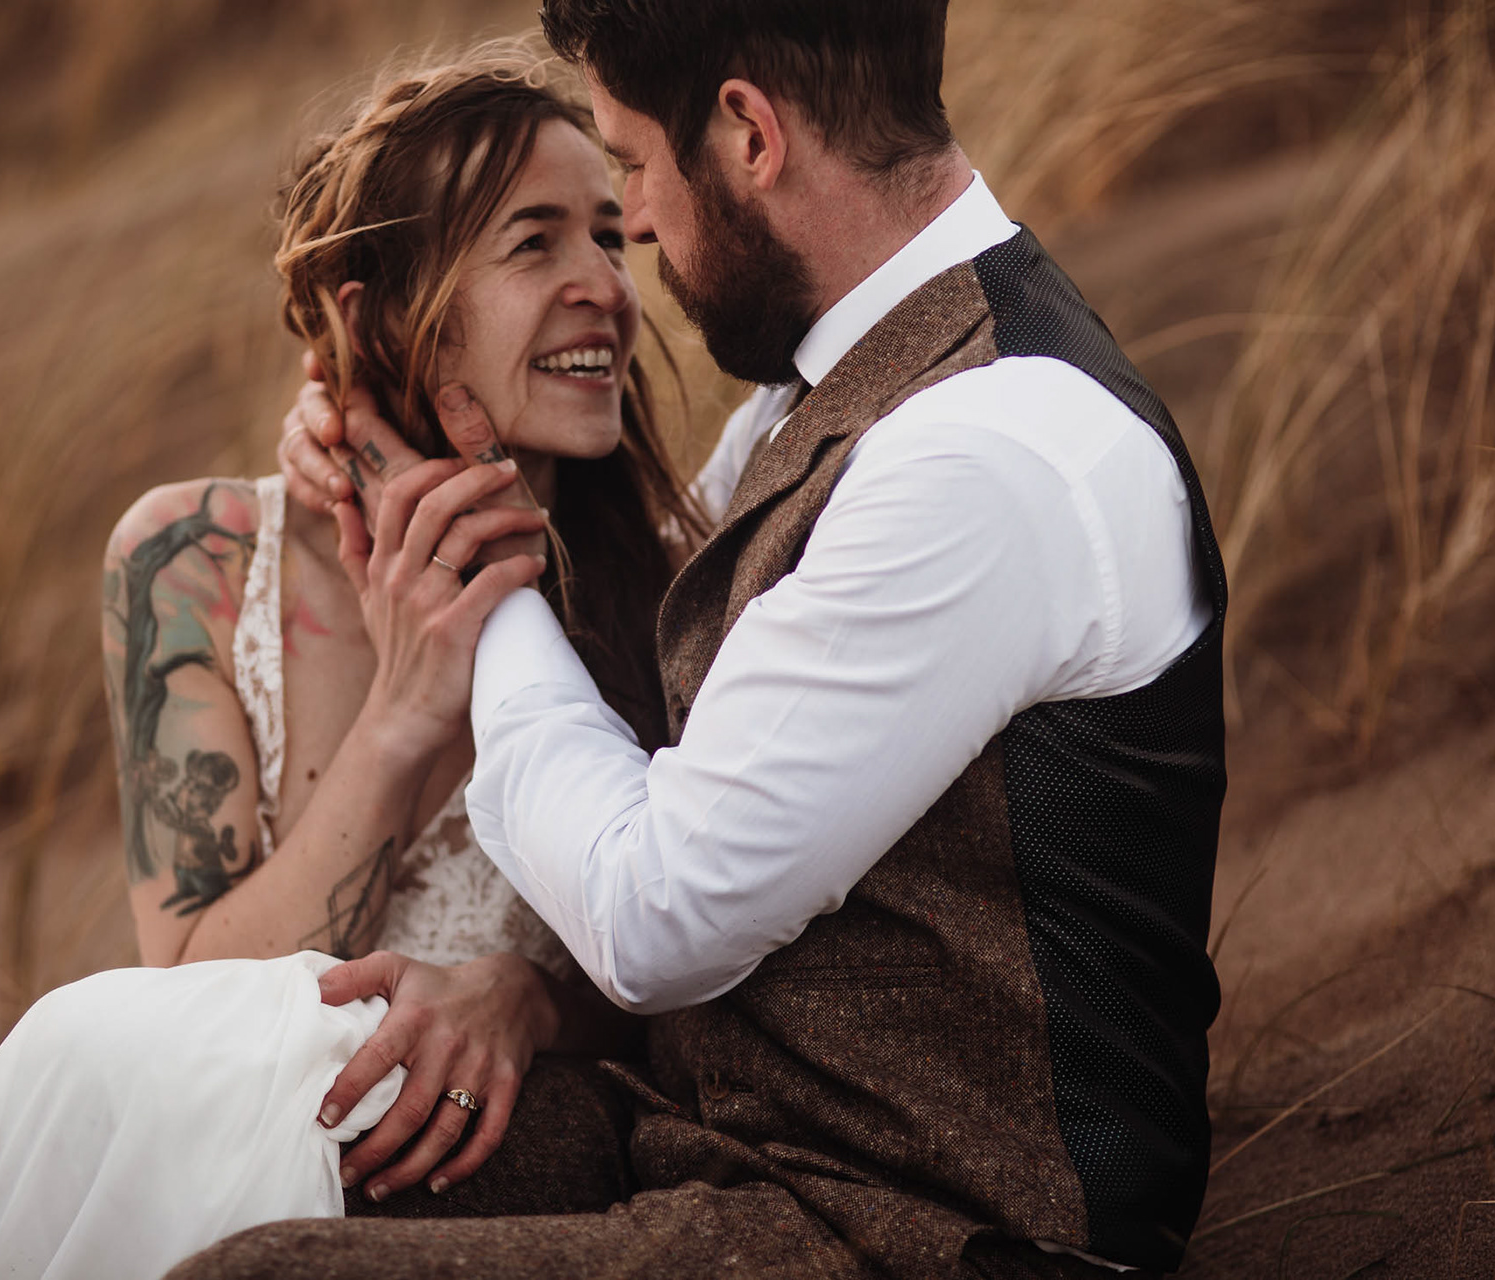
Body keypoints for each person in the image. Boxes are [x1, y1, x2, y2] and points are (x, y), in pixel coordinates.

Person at [212, 0, 1228, 1277]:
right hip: (722, 1140)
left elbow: (652, 915)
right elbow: (670, 588)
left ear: (749, 134)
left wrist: (484, 573)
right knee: (246, 1167)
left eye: (633, 166)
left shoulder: (980, 455)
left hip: (920, 1223)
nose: (634, 228)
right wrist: (373, 413)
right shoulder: (849, 385)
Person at [0, 45, 705, 1280]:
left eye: (608, 235)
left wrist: (527, 994)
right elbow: (186, 1008)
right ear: (375, 310)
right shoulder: (195, 559)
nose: (603, 286)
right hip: (178, 1147)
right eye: (533, 243)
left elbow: (705, 959)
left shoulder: (674, 588)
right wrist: (405, 713)